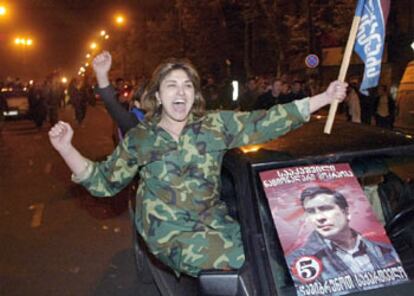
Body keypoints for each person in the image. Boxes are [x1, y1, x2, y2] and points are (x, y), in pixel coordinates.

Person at [48, 51, 347, 277]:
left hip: (213, 221)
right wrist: (65, 149)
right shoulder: (142, 139)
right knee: (243, 260)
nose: (181, 92)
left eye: (188, 86)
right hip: (170, 232)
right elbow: (103, 183)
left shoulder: (214, 125)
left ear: (195, 94)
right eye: (171, 86)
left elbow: (268, 122)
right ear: (158, 96)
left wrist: (325, 96)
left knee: (276, 252)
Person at [287, 186, 402, 285]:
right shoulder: (296, 262)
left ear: (346, 212)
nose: (319, 218)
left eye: (326, 208)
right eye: (311, 212)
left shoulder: (387, 250)